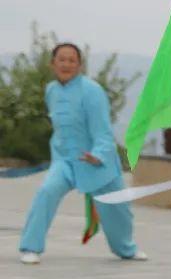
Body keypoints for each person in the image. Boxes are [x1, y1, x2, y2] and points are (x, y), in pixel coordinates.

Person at [19, 43, 146, 264]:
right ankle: (30, 247)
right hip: (65, 161)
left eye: (72, 60)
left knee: (117, 210)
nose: (66, 64)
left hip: (97, 162)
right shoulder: (51, 90)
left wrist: (98, 155)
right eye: (62, 59)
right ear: (52, 64)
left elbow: (103, 131)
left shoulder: (92, 91)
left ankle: (126, 249)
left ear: (80, 65)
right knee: (46, 192)